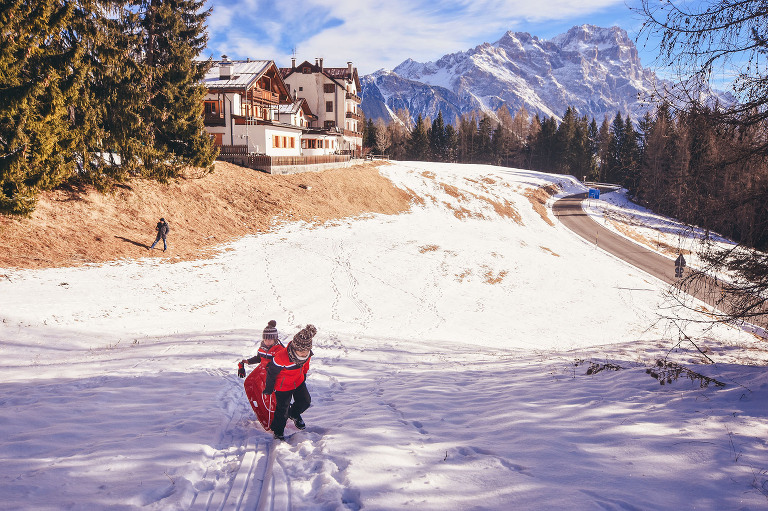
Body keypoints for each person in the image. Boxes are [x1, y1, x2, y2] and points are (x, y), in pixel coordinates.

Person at [263, 324, 316, 440]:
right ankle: (278, 432)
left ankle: (294, 413)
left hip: (298, 381)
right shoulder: (282, 357)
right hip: (283, 386)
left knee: (305, 401)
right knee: (282, 410)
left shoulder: (307, 354)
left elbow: (305, 364)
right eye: (301, 352)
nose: (304, 354)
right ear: (294, 348)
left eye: (306, 351)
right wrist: (269, 387)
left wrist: (304, 374)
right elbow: (271, 372)